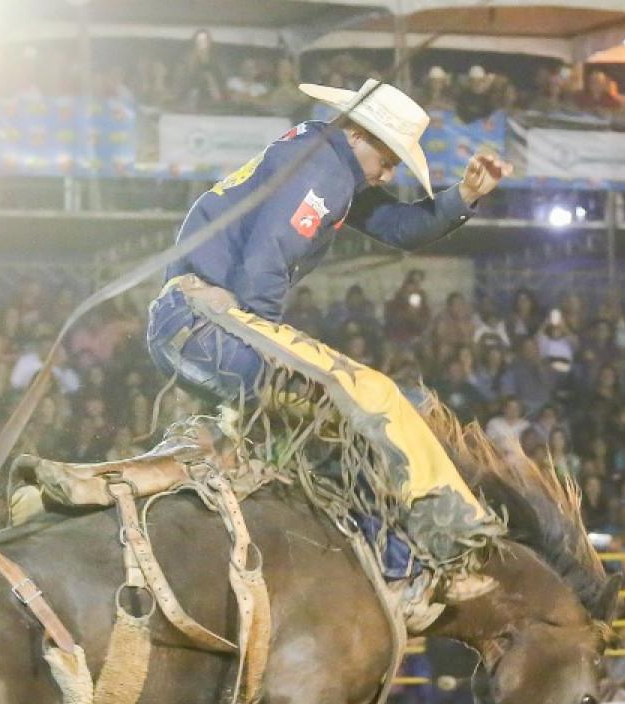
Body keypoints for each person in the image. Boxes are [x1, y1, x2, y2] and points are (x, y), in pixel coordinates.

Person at [44, 79, 514, 572]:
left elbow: (397, 227)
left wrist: (463, 194)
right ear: (358, 134)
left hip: (190, 323)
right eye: (389, 157)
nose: (390, 171)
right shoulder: (324, 171)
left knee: (351, 399)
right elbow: (266, 258)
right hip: (208, 328)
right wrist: (264, 340)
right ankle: (410, 550)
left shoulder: (321, 156)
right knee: (370, 396)